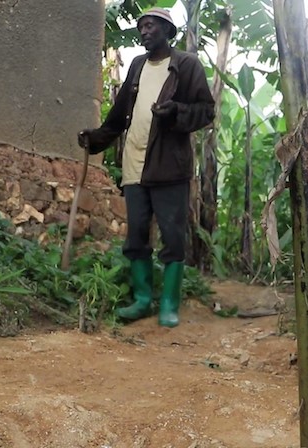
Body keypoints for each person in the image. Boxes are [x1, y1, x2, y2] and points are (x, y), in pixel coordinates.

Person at [77, 7, 215, 328]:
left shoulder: (186, 65)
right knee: (136, 234)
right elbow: (119, 116)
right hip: (134, 166)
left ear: (168, 31)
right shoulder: (137, 65)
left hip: (169, 167)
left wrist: (176, 111)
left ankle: (169, 304)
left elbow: (206, 111)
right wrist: (95, 139)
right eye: (141, 27)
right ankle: (142, 300)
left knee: (172, 236)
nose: (144, 31)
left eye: (150, 26)